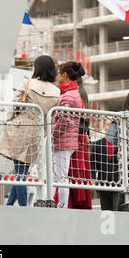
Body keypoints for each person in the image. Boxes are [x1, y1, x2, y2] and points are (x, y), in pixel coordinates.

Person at [0, 55, 60, 206]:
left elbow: (15, 105)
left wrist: (9, 120)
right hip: (37, 132)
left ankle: (23, 207)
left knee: (19, 173)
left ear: (37, 68)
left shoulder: (28, 83)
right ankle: (9, 206)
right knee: (22, 171)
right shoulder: (56, 92)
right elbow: (52, 116)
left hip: (20, 128)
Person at [52, 61, 83, 208]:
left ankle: (61, 205)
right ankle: (54, 202)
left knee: (60, 176)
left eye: (59, 73)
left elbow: (64, 120)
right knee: (58, 175)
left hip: (62, 141)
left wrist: (52, 134)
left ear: (64, 75)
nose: (57, 75)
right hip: (67, 141)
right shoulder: (73, 92)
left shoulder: (68, 95)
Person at [67, 65, 92, 209]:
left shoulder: (77, 90)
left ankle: (75, 202)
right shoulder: (79, 89)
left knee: (75, 171)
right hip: (78, 135)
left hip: (76, 136)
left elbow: (83, 117)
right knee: (77, 171)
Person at [90, 119, 119, 210]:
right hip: (103, 182)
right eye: (108, 125)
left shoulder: (121, 144)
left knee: (117, 209)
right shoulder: (98, 144)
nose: (110, 127)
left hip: (118, 183)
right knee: (105, 211)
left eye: (112, 125)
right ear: (104, 127)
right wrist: (93, 177)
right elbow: (92, 162)